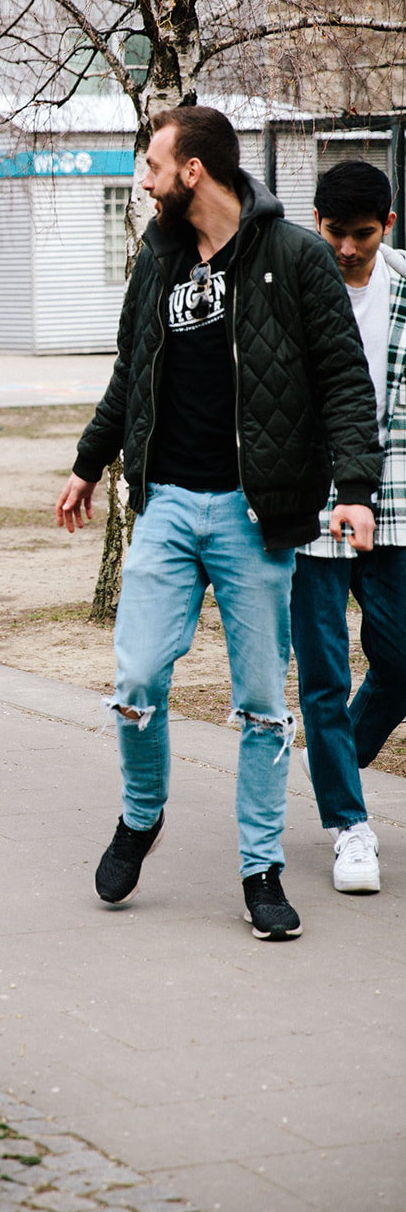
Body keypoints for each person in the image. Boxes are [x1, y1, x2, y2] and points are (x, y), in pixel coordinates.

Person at [56, 106, 381, 941]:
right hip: (165, 503)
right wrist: (89, 464)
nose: (145, 178)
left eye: (153, 165)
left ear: (193, 169)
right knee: (134, 685)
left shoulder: (294, 257)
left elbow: (345, 380)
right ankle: (140, 816)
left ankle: (260, 871)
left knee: (262, 704)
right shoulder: (158, 255)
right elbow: (131, 369)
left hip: (253, 515)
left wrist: (354, 488)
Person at [291, 160, 406, 895]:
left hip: (393, 496)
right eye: (334, 233)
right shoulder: (295, 284)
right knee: (324, 671)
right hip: (308, 499)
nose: (345, 249)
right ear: (317, 221)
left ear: (386, 226)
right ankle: (347, 823)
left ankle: (339, 753)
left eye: (360, 235)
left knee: (399, 654)